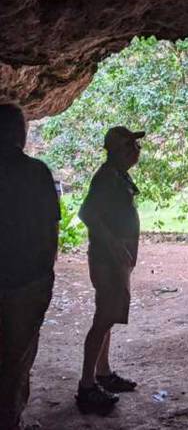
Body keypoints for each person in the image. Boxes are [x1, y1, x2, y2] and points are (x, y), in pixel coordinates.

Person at [76, 126, 144, 413]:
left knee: (109, 315)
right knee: (103, 318)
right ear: (119, 150)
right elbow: (87, 213)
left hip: (115, 258)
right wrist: (115, 245)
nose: (137, 150)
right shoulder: (106, 177)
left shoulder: (117, 174)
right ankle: (86, 386)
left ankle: (102, 373)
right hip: (107, 260)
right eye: (131, 145)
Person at [0, 103, 60, 430]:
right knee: (18, 355)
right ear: (19, 134)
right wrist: (47, 273)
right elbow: (50, 228)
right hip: (27, 281)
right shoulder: (37, 172)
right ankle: (10, 418)